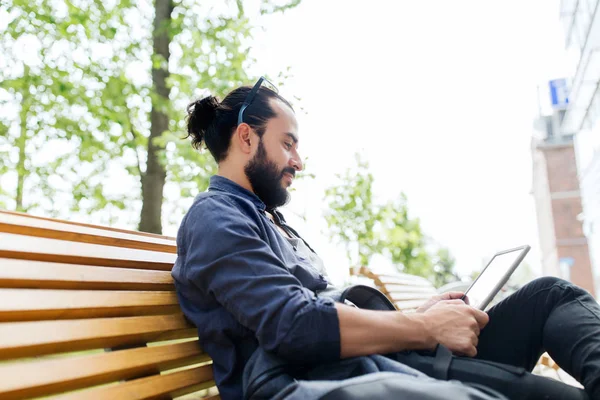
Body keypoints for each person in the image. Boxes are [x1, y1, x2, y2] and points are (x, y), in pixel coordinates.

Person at [171, 78, 600, 400]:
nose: (298, 161)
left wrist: (421, 315)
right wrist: (423, 327)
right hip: (315, 381)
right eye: (288, 144)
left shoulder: (270, 221)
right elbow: (294, 326)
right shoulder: (215, 218)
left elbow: (320, 308)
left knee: (549, 295)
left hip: (371, 362)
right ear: (247, 137)